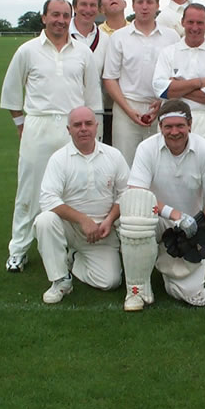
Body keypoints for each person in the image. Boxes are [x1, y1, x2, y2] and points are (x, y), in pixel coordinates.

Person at [0, 0, 103, 272]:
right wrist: (23, 125)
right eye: (54, 14)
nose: (60, 19)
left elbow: (93, 99)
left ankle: (71, 249)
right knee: (30, 192)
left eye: (64, 15)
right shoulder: (27, 51)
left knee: (74, 191)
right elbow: (11, 94)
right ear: (43, 17)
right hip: (39, 126)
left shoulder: (82, 53)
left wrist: (94, 135)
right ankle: (19, 249)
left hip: (76, 129)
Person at [118, 99, 205, 310]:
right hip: (155, 219)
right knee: (136, 214)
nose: (174, 132)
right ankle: (136, 290)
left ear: (190, 125)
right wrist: (174, 214)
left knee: (195, 296)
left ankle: (166, 268)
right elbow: (137, 192)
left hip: (190, 226)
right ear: (160, 127)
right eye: (168, 126)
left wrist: (196, 225)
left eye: (180, 126)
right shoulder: (147, 148)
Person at [34, 106, 130, 304]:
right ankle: (60, 279)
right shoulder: (59, 159)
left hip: (102, 231)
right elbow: (48, 199)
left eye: (88, 124)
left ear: (97, 127)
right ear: (69, 130)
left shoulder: (114, 156)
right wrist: (82, 219)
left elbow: (126, 194)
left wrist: (110, 220)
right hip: (70, 227)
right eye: (77, 125)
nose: (83, 129)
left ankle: (75, 258)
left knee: (110, 282)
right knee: (45, 220)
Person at [102, 0, 179, 165]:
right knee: (124, 165)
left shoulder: (171, 36)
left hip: (161, 108)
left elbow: (177, 76)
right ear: (133, 5)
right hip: (126, 108)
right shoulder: (119, 37)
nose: (145, 7)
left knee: (161, 165)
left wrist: (162, 102)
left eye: (149, 2)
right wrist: (129, 110)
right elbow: (110, 78)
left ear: (157, 5)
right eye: (140, 2)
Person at [152, 2, 205, 147]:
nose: (195, 27)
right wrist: (198, 83)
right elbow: (159, 90)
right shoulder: (168, 53)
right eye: (190, 22)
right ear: (182, 22)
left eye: (200, 23)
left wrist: (176, 86)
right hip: (171, 121)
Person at [69, 0, 109, 142]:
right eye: (83, 4)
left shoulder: (106, 40)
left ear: (99, 9)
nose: (88, 9)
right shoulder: (60, 36)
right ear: (74, 7)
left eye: (93, 5)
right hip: (64, 111)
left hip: (94, 111)